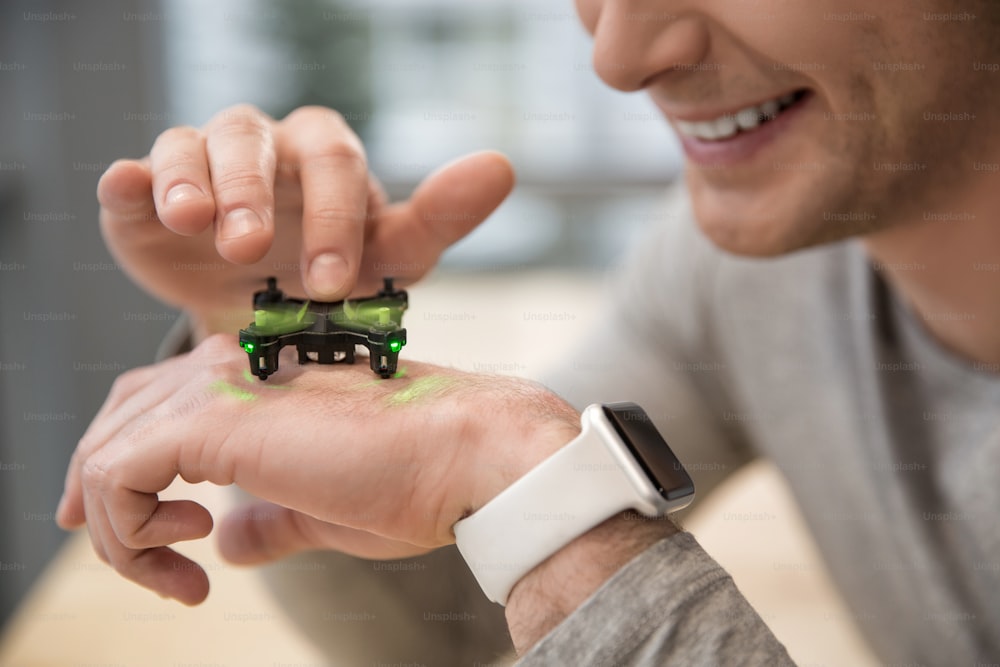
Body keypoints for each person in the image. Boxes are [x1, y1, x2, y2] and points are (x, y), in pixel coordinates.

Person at [57, 0, 1000, 664]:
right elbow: (444, 624)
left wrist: (517, 464)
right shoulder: (755, 272)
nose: (620, 56)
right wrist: (283, 332)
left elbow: (543, 537)